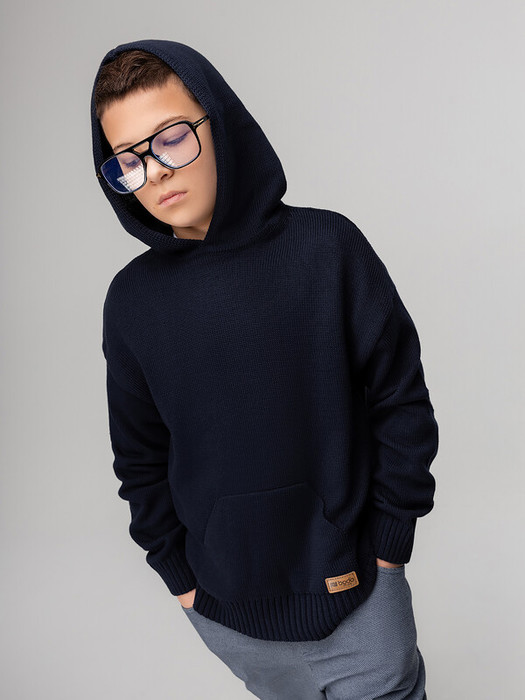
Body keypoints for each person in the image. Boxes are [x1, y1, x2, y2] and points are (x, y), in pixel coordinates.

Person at [91, 39, 438, 700]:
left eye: (171, 139)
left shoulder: (327, 248)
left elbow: (400, 402)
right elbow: (140, 457)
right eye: (128, 160)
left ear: (218, 122)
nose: (155, 173)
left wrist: (391, 547)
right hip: (227, 614)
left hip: (359, 591)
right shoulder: (132, 302)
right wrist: (181, 580)